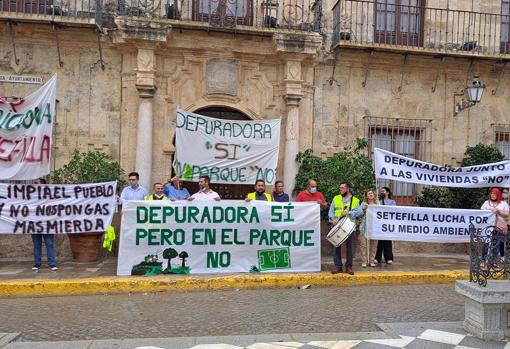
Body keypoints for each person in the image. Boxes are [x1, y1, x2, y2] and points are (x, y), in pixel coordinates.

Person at [328, 182, 362, 275]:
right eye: (340, 188)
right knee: (336, 246)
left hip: (350, 226)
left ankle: (349, 267)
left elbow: (359, 212)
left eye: (343, 188)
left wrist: (349, 213)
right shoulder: (336, 198)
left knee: (350, 247)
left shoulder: (355, 200)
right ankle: (338, 266)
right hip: (337, 226)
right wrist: (332, 219)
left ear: (348, 189)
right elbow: (331, 211)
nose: (341, 189)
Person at [31, 178, 58, 272]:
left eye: (36, 182)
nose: (34, 184)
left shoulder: (49, 196)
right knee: (36, 245)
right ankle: (37, 264)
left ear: (42, 184)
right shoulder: (30, 196)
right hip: (34, 224)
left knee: (49, 244)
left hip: (48, 224)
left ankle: (52, 264)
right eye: (33, 183)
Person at [481, 188, 509, 263]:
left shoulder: (503, 204)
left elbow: (507, 215)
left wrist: (498, 211)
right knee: (486, 243)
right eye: (492, 193)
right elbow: (481, 213)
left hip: (498, 227)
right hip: (488, 227)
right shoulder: (486, 203)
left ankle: (493, 262)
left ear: (498, 195)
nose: (493, 195)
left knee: (496, 245)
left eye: (495, 193)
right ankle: (484, 260)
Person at [374, 186, 396, 266]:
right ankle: (377, 258)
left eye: (383, 191)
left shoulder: (392, 202)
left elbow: (393, 211)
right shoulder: (378, 201)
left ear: (387, 192)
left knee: (387, 241)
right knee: (379, 242)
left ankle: (389, 258)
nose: (381, 193)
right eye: (381, 191)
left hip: (388, 224)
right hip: (379, 224)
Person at [358, 189, 378, 268]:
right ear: (366, 196)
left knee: (374, 245)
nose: (370, 194)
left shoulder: (378, 203)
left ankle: (372, 260)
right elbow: (359, 214)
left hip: (375, 227)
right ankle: (364, 261)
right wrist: (364, 208)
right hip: (365, 227)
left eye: (371, 193)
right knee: (364, 245)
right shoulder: (363, 203)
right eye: (368, 193)